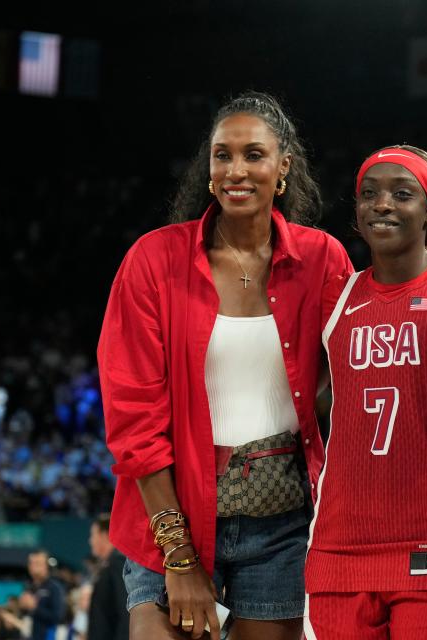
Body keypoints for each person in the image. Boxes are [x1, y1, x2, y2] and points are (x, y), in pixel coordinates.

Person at [99, 91, 352, 640]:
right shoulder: (153, 260)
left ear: (283, 166)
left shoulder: (323, 259)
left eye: (253, 155)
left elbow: (356, 376)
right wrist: (180, 556)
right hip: (175, 514)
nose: (236, 170)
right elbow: (133, 421)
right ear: (208, 168)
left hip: (283, 522)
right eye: (222, 155)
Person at [304, 145, 427, 639]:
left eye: (401, 194)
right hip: (338, 550)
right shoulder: (334, 296)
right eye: (368, 194)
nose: (381, 204)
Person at [87, 514, 129, 640]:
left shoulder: (117, 564)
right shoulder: (109, 565)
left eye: (93, 535)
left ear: (105, 535)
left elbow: (124, 611)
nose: (90, 541)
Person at [21, 550, 65, 640]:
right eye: (31, 563)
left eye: (37, 563)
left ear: (46, 566)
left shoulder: (54, 588)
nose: (33, 567)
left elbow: (57, 617)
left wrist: (34, 608)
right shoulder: (29, 587)